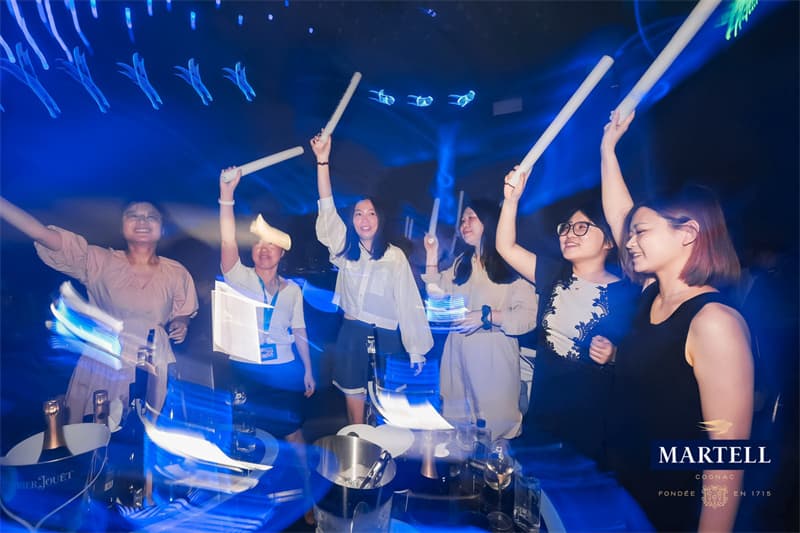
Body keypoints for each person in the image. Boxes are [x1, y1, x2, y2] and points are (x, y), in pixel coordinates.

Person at [601, 110, 753, 532]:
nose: (629, 241)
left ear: (687, 234)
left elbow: (727, 458)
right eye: (631, 234)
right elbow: (620, 215)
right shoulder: (651, 294)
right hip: (625, 494)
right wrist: (608, 148)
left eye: (642, 232)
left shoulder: (713, 322)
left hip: (671, 511)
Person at [0, 196, 198, 422]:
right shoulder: (99, 261)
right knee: (96, 427)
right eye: (133, 215)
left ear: (162, 228)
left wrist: (182, 322)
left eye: (150, 217)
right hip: (106, 358)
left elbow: (183, 310)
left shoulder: (176, 272)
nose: (142, 221)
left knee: (143, 426)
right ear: (123, 226)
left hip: (152, 360)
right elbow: (41, 234)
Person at [495, 169, 638, 463]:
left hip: (592, 427)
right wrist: (511, 201)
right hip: (542, 415)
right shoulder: (553, 273)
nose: (570, 234)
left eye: (582, 227)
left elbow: (646, 359)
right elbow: (505, 247)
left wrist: (615, 355)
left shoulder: (628, 293)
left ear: (609, 241)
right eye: (566, 228)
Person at [310, 133, 433, 425]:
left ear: (380, 218)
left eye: (371, 213)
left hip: (387, 337)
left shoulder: (394, 257)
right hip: (352, 334)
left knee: (386, 413)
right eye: (358, 214)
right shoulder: (344, 249)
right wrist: (322, 161)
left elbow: (408, 303)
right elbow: (327, 211)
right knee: (355, 411)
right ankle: (358, 448)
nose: (364, 220)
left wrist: (416, 349)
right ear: (351, 220)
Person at [422, 199, 537, 440]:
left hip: (493, 356)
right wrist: (431, 255)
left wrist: (487, 316)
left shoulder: (511, 266)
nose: (464, 224)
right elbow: (437, 299)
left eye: (471, 218)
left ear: (489, 221)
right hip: (456, 355)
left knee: (494, 429)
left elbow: (528, 316)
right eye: (462, 220)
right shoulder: (461, 264)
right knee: (458, 430)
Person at [218, 168, 315, 444]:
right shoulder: (238, 277)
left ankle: (300, 473)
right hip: (246, 369)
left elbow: (299, 330)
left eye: (271, 244)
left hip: (282, 368)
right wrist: (227, 196)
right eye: (258, 243)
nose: (264, 249)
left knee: (292, 430)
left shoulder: (292, 289)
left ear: (281, 252)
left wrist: (308, 370)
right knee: (244, 432)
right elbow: (227, 239)